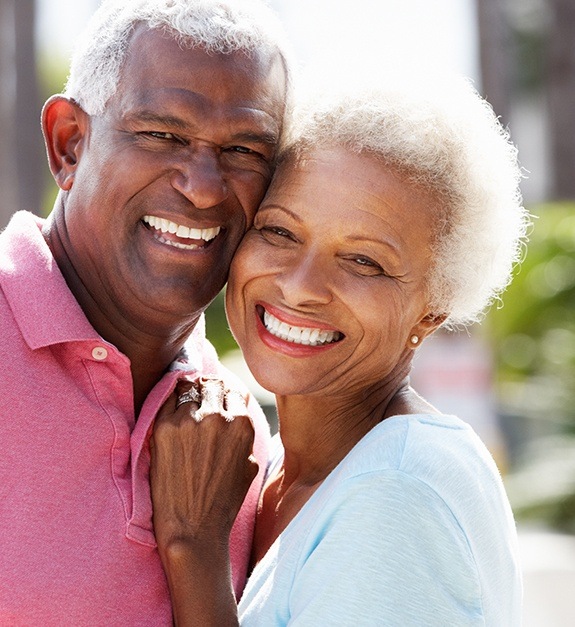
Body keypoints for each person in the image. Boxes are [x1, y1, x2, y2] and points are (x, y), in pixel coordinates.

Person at [151, 71, 529, 625]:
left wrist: (194, 550)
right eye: (279, 232)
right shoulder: (291, 464)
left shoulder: (394, 495)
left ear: (433, 309)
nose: (301, 286)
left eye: (363, 262)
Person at [0, 0, 290, 623]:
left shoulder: (237, 429)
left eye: (245, 150)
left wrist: (198, 552)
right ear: (69, 144)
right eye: (161, 135)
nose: (205, 185)